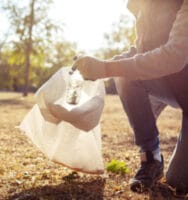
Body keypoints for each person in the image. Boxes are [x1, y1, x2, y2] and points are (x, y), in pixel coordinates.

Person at [72, 0, 188, 194]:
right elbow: (141, 52)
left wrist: (106, 68)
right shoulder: (142, 4)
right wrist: (100, 65)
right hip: (175, 86)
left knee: (180, 183)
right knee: (123, 70)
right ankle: (150, 158)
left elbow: (174, 56)